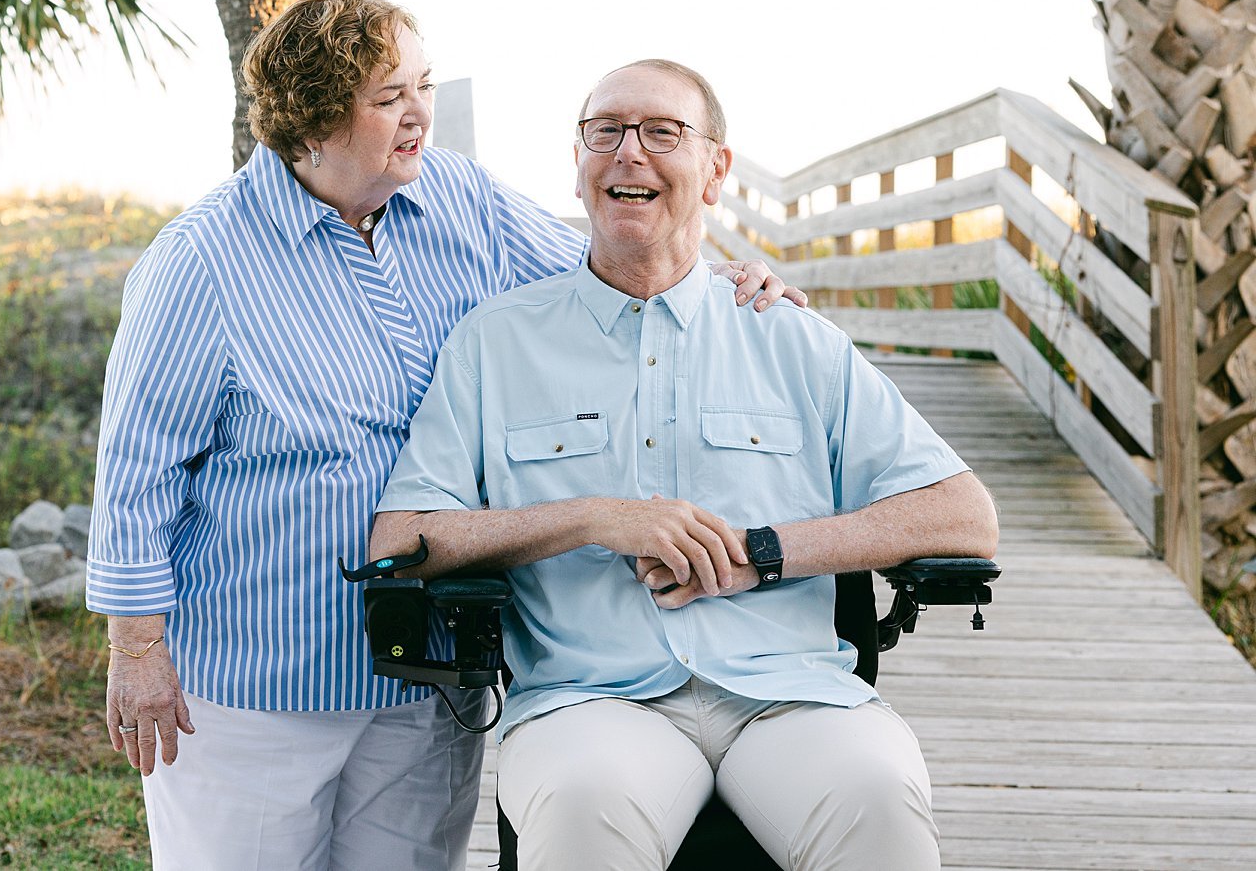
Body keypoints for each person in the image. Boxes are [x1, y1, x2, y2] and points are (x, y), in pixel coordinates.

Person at [87, 0, 803, 871]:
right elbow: (137, 470)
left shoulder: (461, 198)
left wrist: (730, 276)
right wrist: (137, 650)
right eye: (390, 96)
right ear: (315, 115)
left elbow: (607, 275)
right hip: (258, 678)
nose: (420, 110)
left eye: (424, 84)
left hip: (425, 665)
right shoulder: (201, 261)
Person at [369, 57, 1000, 871]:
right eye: (607, 130)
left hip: (791, 694)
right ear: (579, 162)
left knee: (878, 794)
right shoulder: (495, 343)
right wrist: (595, 517)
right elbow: (403, 535)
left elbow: (964, 515)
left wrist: (758, 556)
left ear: (715, 169)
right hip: (590, 699)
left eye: (663, 132)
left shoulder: (790, 337)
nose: (629, 151)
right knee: (582, 803)